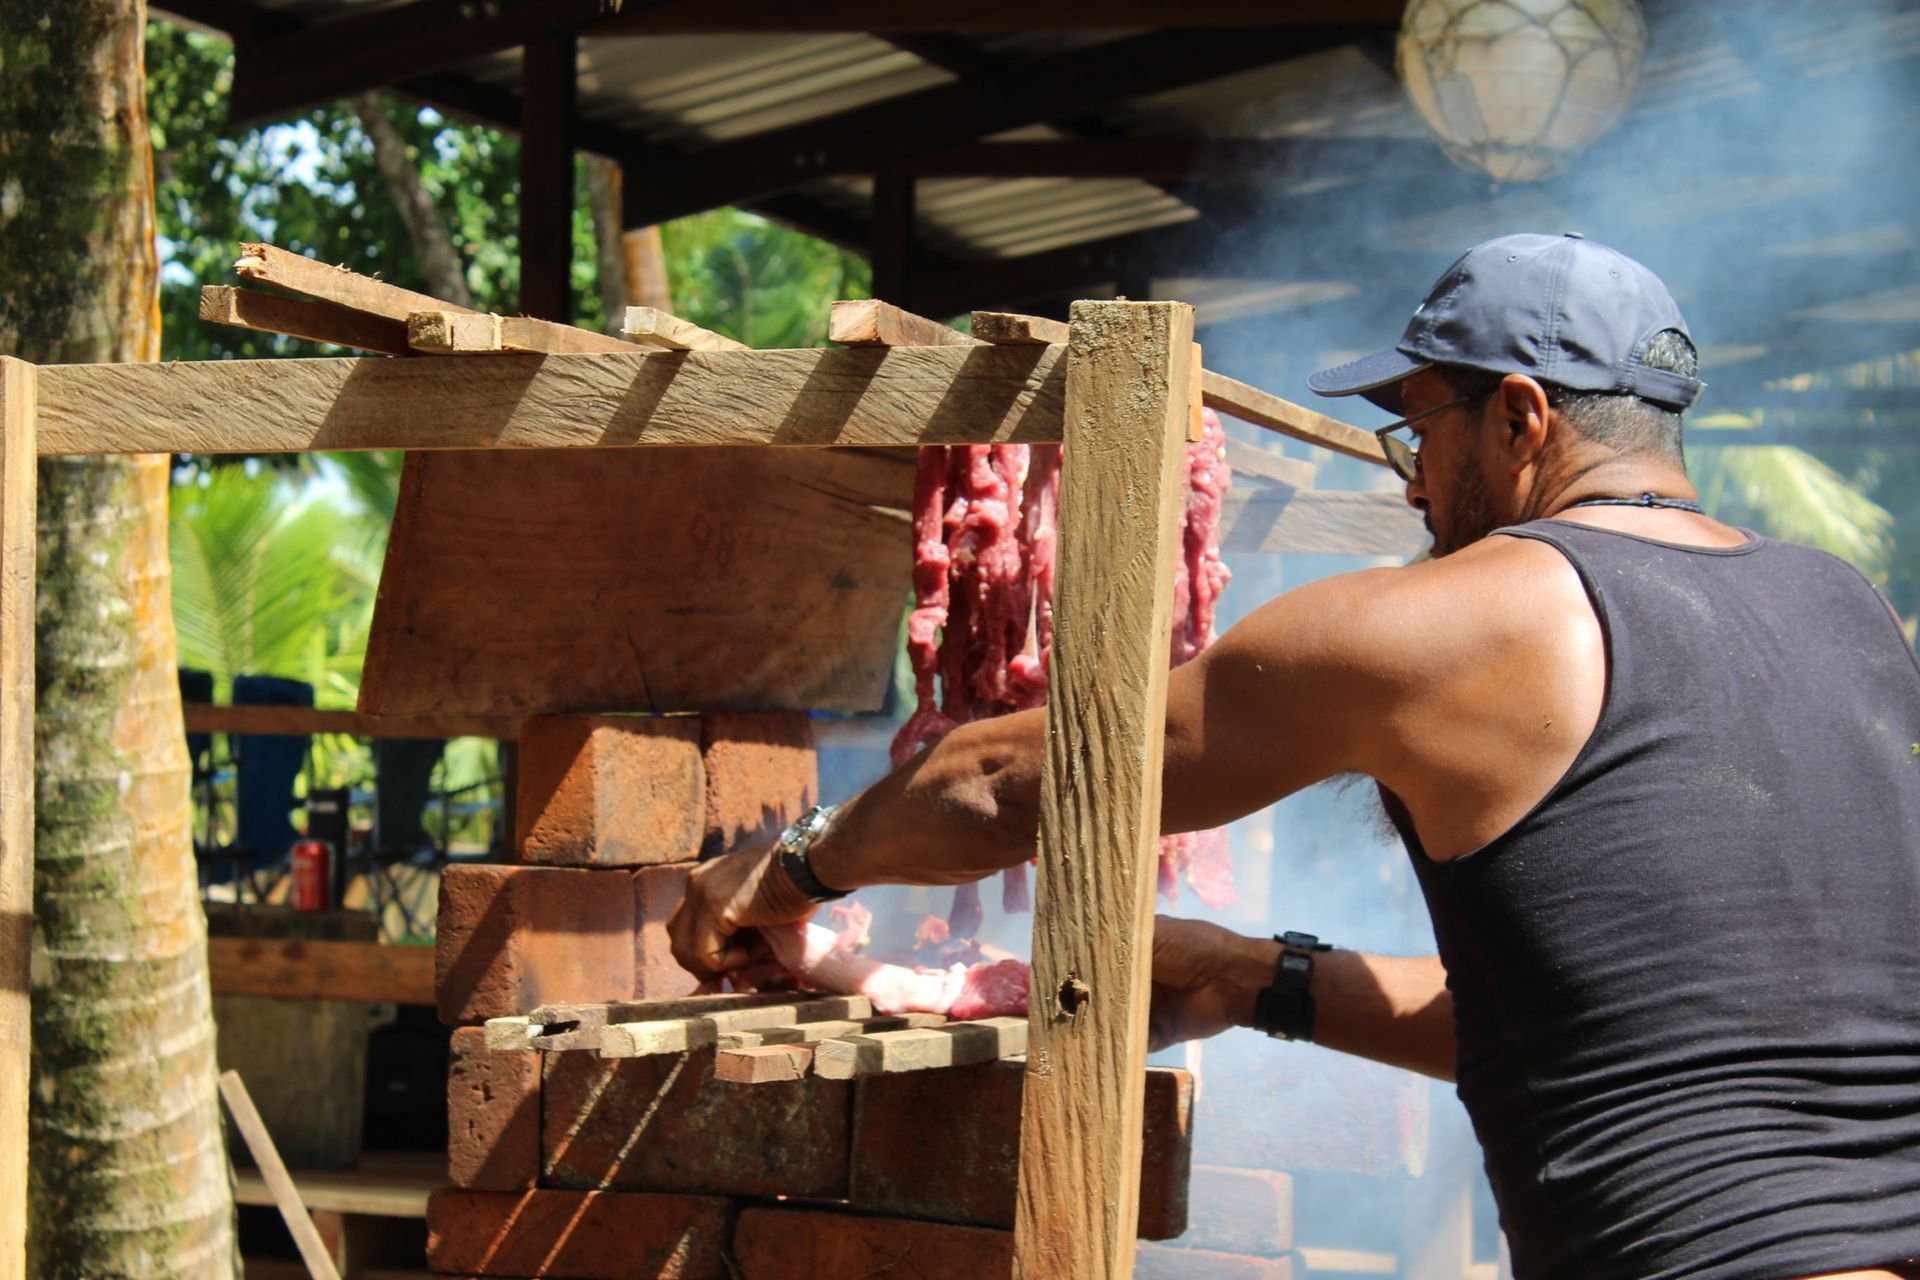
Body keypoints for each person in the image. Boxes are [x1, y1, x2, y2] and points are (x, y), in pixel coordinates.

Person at [668, 233, 1920, 1280]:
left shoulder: (1464, 618)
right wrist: (1244, 972)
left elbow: (1017, 783)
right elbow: (1594, 1025)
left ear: (1523, 415)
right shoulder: (1847, 610)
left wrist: (786, 872)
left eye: (1418, 430)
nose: (1414, 484)